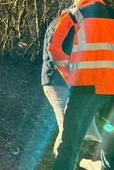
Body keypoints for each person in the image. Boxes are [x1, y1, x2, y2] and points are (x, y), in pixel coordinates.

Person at [49, 0, 114, 170]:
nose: (74, 3)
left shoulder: (74, 16)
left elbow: (56, 51)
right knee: (113, 149)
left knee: (70, 144)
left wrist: (70, 76)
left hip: (85, 90)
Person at [41, 10, 101, 157]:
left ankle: (66, 162)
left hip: (71, 84)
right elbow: (54, 52)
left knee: (70, 127)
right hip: (56, 82)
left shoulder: (80, 27)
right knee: (66, 127)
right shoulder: (60, 23)